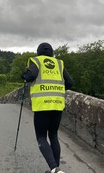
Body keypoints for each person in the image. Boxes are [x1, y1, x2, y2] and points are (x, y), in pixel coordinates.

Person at [21, 42, 73, 173]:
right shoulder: (59, 63)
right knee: (54, 135)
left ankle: (54, 168)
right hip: (57, 104)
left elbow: (31, 76)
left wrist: (24, 76)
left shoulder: (37, 61)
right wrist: (57, 90)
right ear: (52, 52)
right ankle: (56, 169)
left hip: (42, 105)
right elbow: (70, 82)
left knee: (41, 137)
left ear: (39, 52)